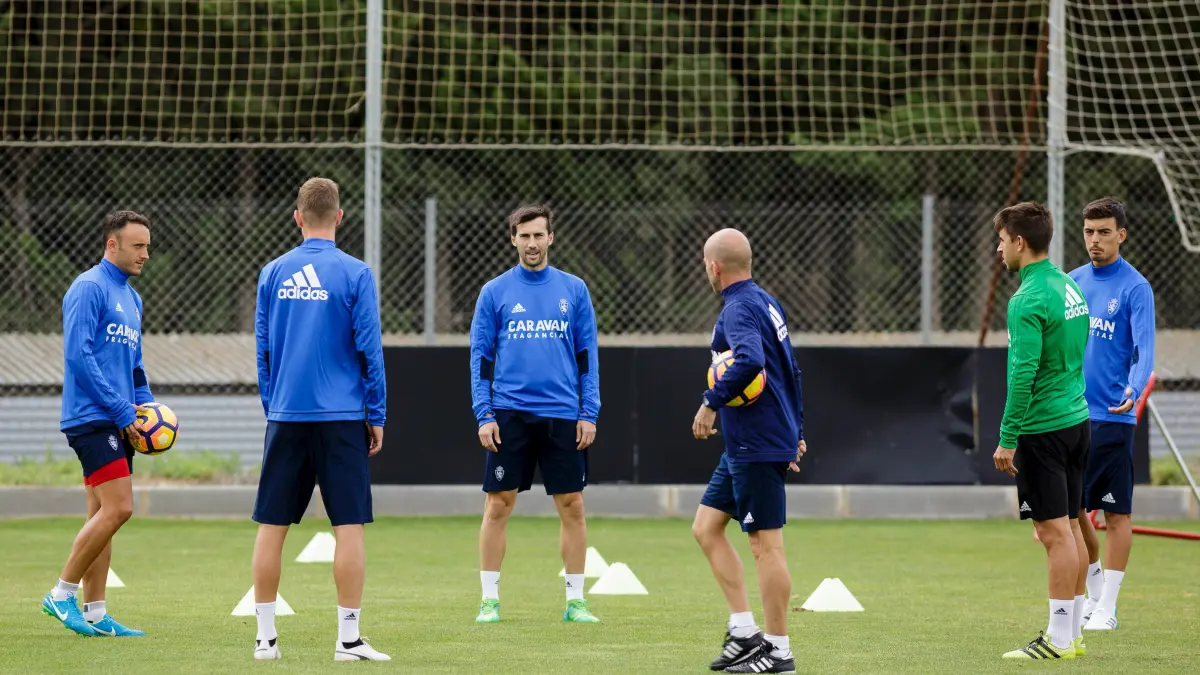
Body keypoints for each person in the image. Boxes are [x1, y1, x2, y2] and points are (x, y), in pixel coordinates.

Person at [250, 177, 388, 662]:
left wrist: (274, 406)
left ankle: (265, 640)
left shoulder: (272, 272)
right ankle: (348, 641)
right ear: (340, 217)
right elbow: (370, 349)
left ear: (297, 217)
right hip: (342, 416)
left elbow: (263, 349)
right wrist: (377, 412)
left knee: (272, 525)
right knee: (348, 525)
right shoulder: (356, 273)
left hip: (286, 414)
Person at [469, 204, 601, 624]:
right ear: (513, 239)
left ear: (550, 238)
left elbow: (587, 356)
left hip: (563, 413)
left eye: (538, 235)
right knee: (498, 505)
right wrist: (484, 413)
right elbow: (481, 359)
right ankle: (489, 601)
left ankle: (575, 602)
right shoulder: (494, 292)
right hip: (509, 413)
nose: (532, 243)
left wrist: (589, 411)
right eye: (524, 236)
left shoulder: (574, 290)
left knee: (572, 505)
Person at [690, 228, 805, 675]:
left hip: (756, 442)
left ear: (714, 267)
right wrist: (796, 428)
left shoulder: (737, 308)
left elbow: (752, 361)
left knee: (765, 546)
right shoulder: (766, 301)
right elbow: (791, 369)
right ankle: (743, 632)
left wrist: (710, 402)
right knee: (706, 528)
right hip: (751, 441)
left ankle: (778, 650)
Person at [43, 211, 154, 638]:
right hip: (92, 417)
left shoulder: (133, 299)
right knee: (120, 507)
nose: (145, 254)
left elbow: (135, 366)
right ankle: (61, 594)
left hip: (120, 420)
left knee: (102, 514)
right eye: (138, 246)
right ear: (112, 245)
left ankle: (95, 613)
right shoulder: (89, 287)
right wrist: (120, 409)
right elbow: (79, 355)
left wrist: (146, 408)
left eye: (147, 246)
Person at [992, 202, 1092, 660]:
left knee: (1055, 535)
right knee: (1070, 528)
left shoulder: (1027, 298)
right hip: (1076, 421)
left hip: (1044, 429)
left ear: (1020, 242)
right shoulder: (1068, 284)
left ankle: (1057, 638)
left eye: (1002, 240)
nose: (999, 249)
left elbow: (1023, 373)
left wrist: (1008, 437)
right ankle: (1072, 635)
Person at [1068, 197, 1155, 632]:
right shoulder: (1072, 282)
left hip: (1114, 417)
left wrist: (1134, 389)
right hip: (1070, 414)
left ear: (1121, 235)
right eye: (1089, 231)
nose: (1095, 240)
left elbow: (1145, 349)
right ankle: (1095, 589)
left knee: (1115, 513)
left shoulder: (1135, 287)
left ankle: (1108, 608)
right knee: (1071, 511)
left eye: (1104, 232)